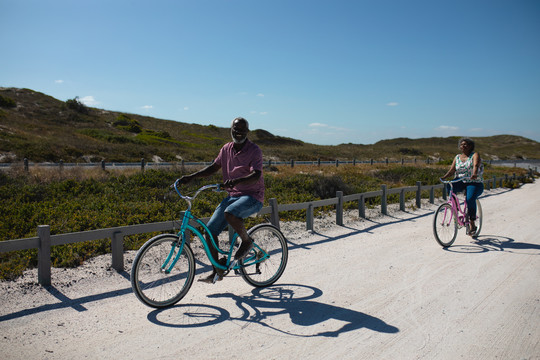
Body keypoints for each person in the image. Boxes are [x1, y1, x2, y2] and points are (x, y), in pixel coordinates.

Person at [177, 117, 264, 283]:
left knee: (230, 213)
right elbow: (213, 167)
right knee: (209, 231)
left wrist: (236, 181)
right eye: (235, 130)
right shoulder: (226, 149)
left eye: (241, 130)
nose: (238, 133)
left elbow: (256, 175)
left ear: (247, 132)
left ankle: (246, 242)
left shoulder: (254, 150)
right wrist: (191, 177)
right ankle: (217, 270)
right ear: (230, 129)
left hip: (252, 196)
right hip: (233, 196)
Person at [441, 137, 484, 235]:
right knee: (450, 186)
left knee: (470, 199)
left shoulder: (474, 155)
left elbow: (476, 165)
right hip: (460, 180)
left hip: (474, 182)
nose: (463, 146)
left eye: (465, 144)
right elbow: (452, 170)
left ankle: (472, 223)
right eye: (461, 144)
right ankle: (455, 209)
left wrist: (474, 173)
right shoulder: (457, 157)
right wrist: (444, 177)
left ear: (470, 146)